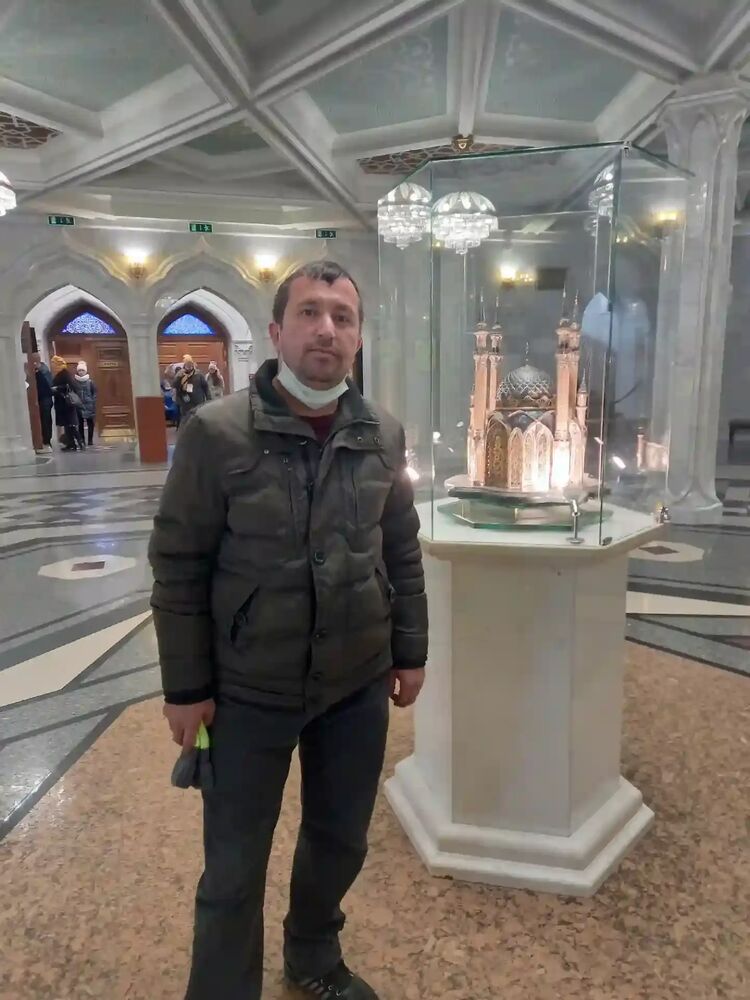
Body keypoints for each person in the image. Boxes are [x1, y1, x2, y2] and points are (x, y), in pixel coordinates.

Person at [149, 260, 428, 1000]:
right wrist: (186, 687)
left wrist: (410, 651)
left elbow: (400, 548)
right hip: (247, 688)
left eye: (342, 316)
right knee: (234, 866)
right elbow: (178, 564)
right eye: (309, 312)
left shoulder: (382, 434)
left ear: (358, 337)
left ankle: (312, 955)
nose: (326, 329)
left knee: (340, 839)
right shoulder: (216, 433)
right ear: (276, 332)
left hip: (355, 683)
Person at [51, 357, 85, 451]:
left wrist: (57, 388)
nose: (52, 366)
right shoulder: (60, 373)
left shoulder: (64, 374)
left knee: (70, 425)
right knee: (67, 425)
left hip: (66, 403)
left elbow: (70, 386)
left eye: (54, 364)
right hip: (63, 403)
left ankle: (80, 442)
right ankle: (71, 444)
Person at [172, 355, 209, 425]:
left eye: (190, 364)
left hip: (197, 400)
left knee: (198, 417)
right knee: (185, 418)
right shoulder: (180, 374)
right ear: (184, 365)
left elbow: (205, 387)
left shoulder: (198, 374)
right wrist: (179, 377)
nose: (189, 366)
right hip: (185, 401)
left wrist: (208, 398)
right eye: (187, 364)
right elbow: (175, 385)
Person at [32, 354, 53, 451]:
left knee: (45, 421)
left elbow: (47, 386)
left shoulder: (42, 371)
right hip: (44, 399)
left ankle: (46, 441)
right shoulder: (43, 370)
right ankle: (45, 441)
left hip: (44, 399)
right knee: (45, 420)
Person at [74, 361, 97, 446]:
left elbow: (94, 393)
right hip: (79, 405)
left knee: (90, 423)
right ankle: (82, 440)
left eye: (82, 370)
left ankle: (90, 440)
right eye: (79, 370)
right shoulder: (75, 382)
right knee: (80, 423)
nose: (81, 372)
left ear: (86, 371)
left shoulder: (90, 382)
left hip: (89, 405)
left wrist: (93, 402)